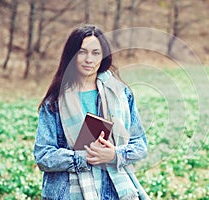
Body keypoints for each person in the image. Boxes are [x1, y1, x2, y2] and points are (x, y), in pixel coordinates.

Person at [34, 24, 149, 200]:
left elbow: (140, 144)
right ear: (72, 55)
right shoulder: (55, 101)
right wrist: (83, 157)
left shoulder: (121, 93)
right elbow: (43, 155)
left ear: (103, 56)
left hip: (114, 191)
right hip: (68, 193)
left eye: (96, 53)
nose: (89, 59)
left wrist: (115, 155)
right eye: (82, 52)